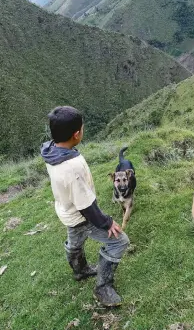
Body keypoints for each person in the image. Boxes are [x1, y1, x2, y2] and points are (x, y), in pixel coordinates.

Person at [40, 106, 129, 307]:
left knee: (75, 242)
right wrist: (107, 223)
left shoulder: (50, 150)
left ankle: (80, 270)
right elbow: (86, 206)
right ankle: (103, 287)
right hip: (81, 216)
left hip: (66, 211)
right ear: (77, 134)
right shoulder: (72, 167)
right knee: (119, 242)